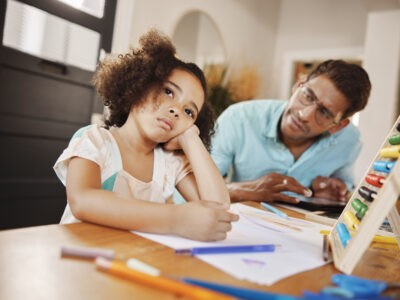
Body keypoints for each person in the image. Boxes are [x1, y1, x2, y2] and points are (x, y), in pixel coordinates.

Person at [54, 30, 238, 242]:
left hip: (134, 262)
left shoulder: (172, 163)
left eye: (189, 112)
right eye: (168, 91)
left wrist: (190, 138)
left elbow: (219, 206)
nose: (176, 109)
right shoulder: (95, 141)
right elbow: (83, 200)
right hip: (78, 258)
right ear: (140, 84)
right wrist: (175, 219)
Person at [211, 60, 371, 204]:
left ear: (338, 126)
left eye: (324, 113)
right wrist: (243, 190)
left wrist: (334, 191)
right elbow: (195, 186)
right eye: (308, 96)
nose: (304, 115)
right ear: (298, 85)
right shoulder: (239, 118)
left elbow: (344, 187)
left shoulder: (348, 140)